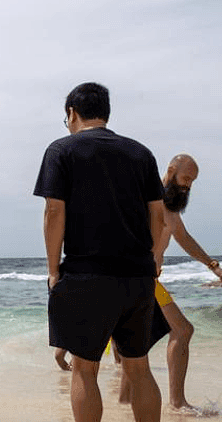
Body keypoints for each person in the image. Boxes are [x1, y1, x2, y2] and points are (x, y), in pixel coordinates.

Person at [34, 82, 166, 422]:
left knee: (84, 370)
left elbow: (54, 212)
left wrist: (53, 270)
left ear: (71, 113)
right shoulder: (141, 153)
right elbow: (157, 214)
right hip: (137, 276)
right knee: (139, 369)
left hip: (86, 274)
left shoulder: (61, 150)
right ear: (106, 112)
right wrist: (152, 259)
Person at [117, 154, 222, 411]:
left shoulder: (166, 205)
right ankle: (177, 403)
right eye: (186, 179)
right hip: (138, 278)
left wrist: (213, 266)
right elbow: (180, 238)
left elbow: (182, 238)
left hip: (140, 279)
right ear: (171, 170)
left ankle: (122, 405)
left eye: (192, 181)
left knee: (134, 345)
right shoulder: (152, 199)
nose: (188, 186)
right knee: (182, 330)